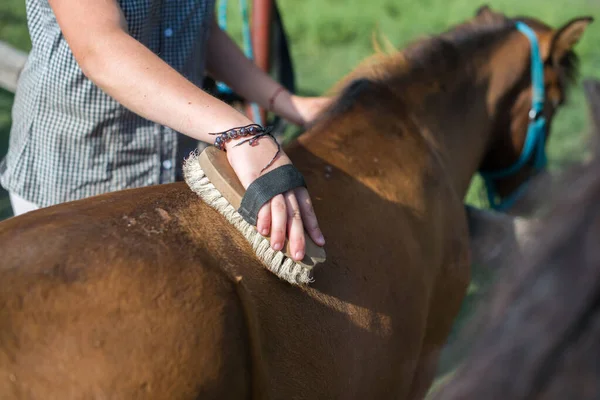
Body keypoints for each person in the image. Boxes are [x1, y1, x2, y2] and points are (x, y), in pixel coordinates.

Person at [0, 0, 329, 261]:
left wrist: (289, 103)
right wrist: (240, 133)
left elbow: (201, 30)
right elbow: (101, 48)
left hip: (171, 169)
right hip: (75, 171)